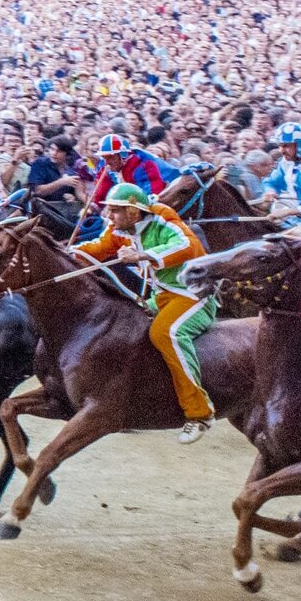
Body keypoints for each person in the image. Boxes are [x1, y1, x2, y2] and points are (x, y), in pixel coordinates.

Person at [73, 182, 216, 442]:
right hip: (160, 296)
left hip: (193, 294)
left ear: (134, 212)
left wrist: (143, 255)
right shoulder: (119, 229)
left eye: (115, 210)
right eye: (109, 210)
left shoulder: (162, 216)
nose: (109, 216)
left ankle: (199, 413)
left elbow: (188, 245)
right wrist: (67, 253)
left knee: (164, 333)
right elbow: (99, 248)